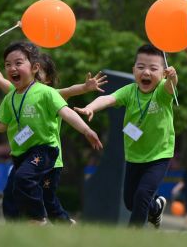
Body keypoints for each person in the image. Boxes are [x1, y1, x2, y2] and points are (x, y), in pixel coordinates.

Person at [0, 41, 103, 224]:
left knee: (28, 182)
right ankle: (22, 230)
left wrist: (86, 130)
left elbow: (67, 109)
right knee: (12, 195)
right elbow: (0, 124)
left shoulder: (47, 93)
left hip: (44, 151)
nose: (12, 68)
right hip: (21, 155)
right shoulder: (11, 97)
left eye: (18, 63)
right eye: (8, 64)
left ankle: (38, 220)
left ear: (35, 69)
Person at [75, 44, 178, 228]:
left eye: (153, 68)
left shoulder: (162, 90)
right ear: (133, 70)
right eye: (141, 67)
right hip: (134, 155)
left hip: (159, 155)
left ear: (163, 73)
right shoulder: (130, 91)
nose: (146, 72)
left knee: (142, 196)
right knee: (131, 202)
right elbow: (108, 99)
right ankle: (156, 208)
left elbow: (170, 87)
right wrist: (91, 107)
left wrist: (173, 78)